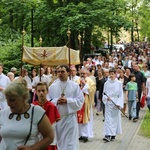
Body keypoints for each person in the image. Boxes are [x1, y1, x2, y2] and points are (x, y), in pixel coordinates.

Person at [0, 78, 54, 149]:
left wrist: (32, 148)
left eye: (12, 100)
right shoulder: (3, 114)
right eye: (7, 100)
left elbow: (49, 137)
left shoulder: (36, 112)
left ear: (23, 98)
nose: (9, 104)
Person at [47, 65, 84, 150]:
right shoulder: (53, 86)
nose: (60, 73)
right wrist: (56, 101)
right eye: (58, 72)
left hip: (70, 118)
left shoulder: (74, 86)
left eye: (62, 71)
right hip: (58, 119)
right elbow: (48, 101)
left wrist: (68, 101)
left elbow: (80, 101)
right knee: (59, 142)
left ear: (68, 72)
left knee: (70, 143)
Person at [33, 82, 61, 150]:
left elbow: (53, 124)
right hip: (36, 137)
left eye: (43, 90)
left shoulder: (51, 106)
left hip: (48, 137)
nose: (41, 93)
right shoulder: (32, 106)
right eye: (39, 91)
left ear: (47, 92)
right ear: (36, 92)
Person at [102, 68, 124, 142]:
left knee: (114, 119)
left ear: (115, 74)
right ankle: (107, 134)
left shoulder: (119, 83)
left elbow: (121, 95)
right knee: (108, 119)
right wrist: (105, 98)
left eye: (112, 73)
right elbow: (104, 93)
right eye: (110, 73)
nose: (111, 75)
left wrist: (119, 103)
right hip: (108, 103)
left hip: (115, 103)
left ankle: (113, 134)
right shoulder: (106, 83)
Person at [76, 68, 96, 143]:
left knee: (86, 119)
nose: (82, 75)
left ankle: (86, 135)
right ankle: (80, 134)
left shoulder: (90, 81)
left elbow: (92, 90)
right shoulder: (77, 81)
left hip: (86, 103)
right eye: (81, 73)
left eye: (84, 74)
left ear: (87, 74)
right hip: (78, 103)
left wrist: (85, 85)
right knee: (78, 119)